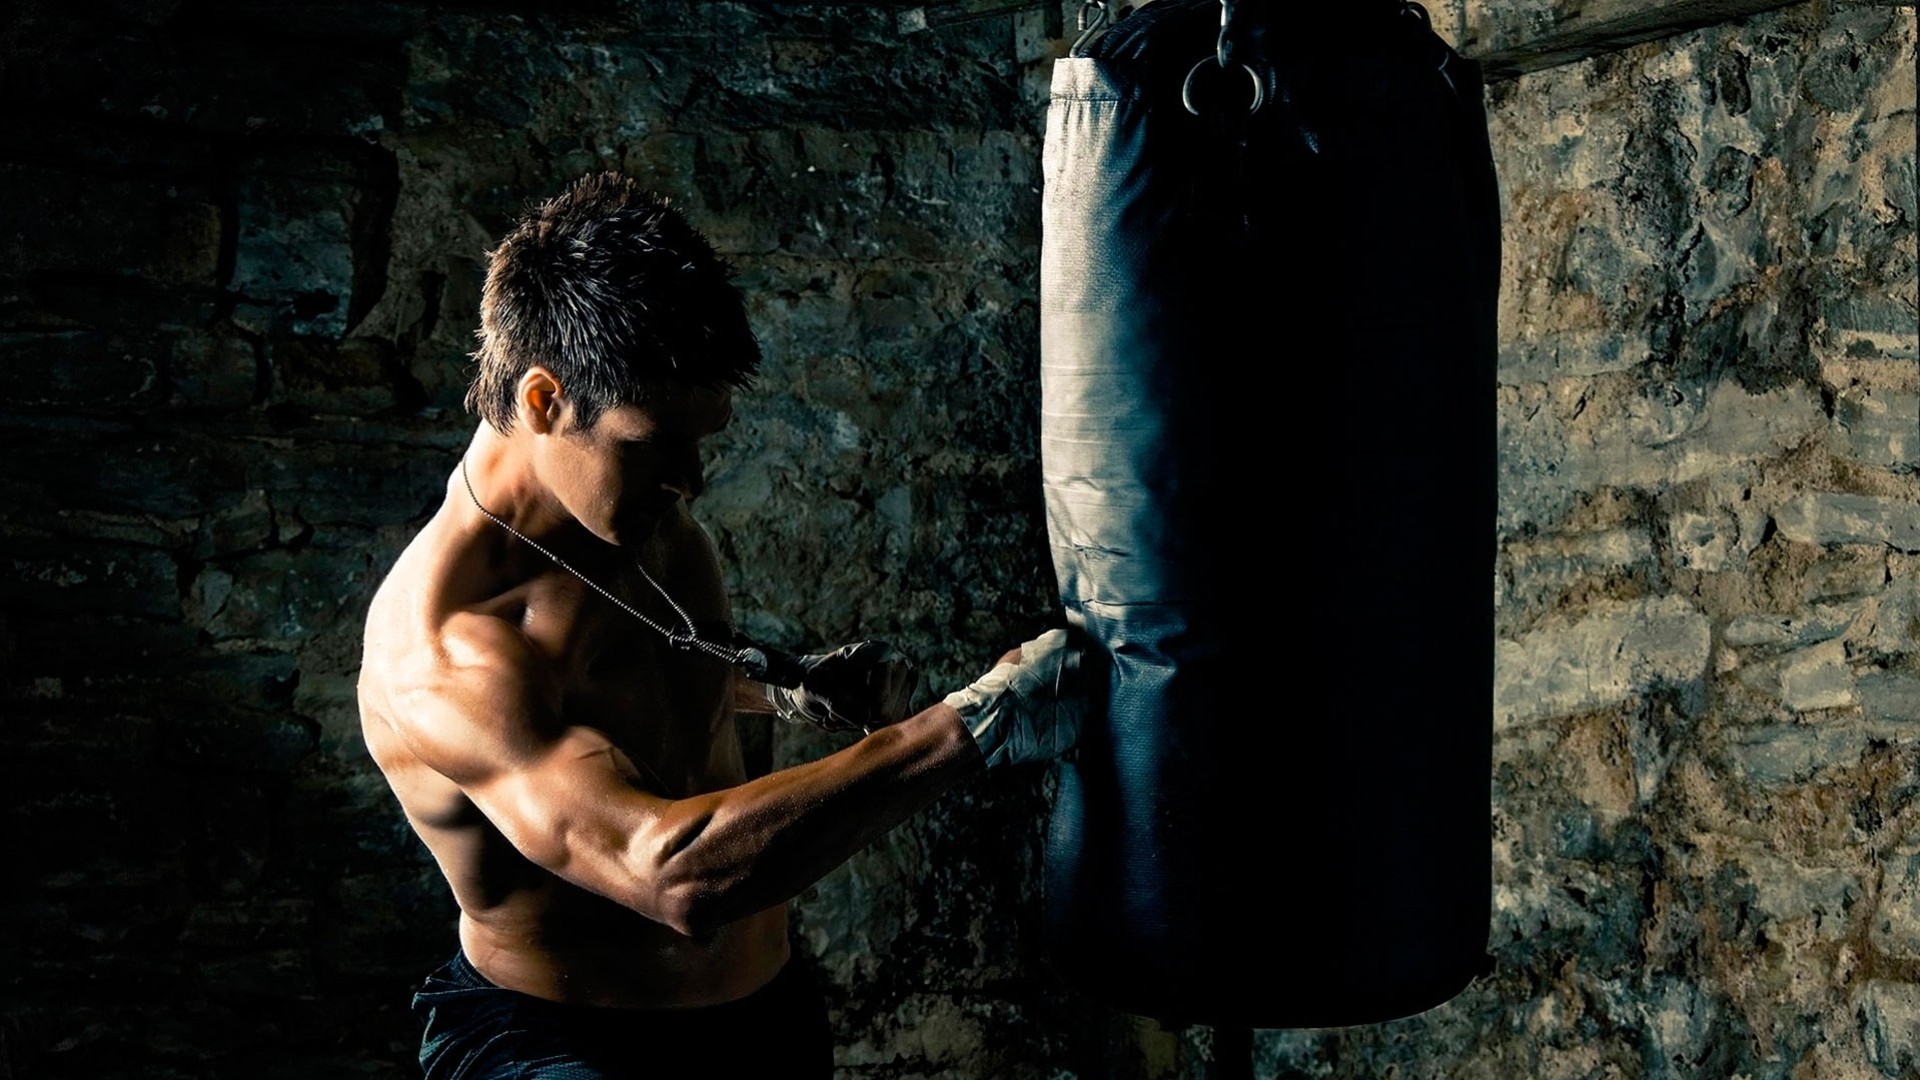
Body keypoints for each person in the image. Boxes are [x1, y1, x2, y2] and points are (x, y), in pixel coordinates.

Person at [355, 171, 1081, 1079]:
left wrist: (786, 687)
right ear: (543, 402)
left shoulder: (641, 522)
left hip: (765, 1017)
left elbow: (614, 688)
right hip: (560, 1049)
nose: (689, 480)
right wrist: (976, 722)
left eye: (702, 441)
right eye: (650, 441)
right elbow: (670, 875)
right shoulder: (444, 651)